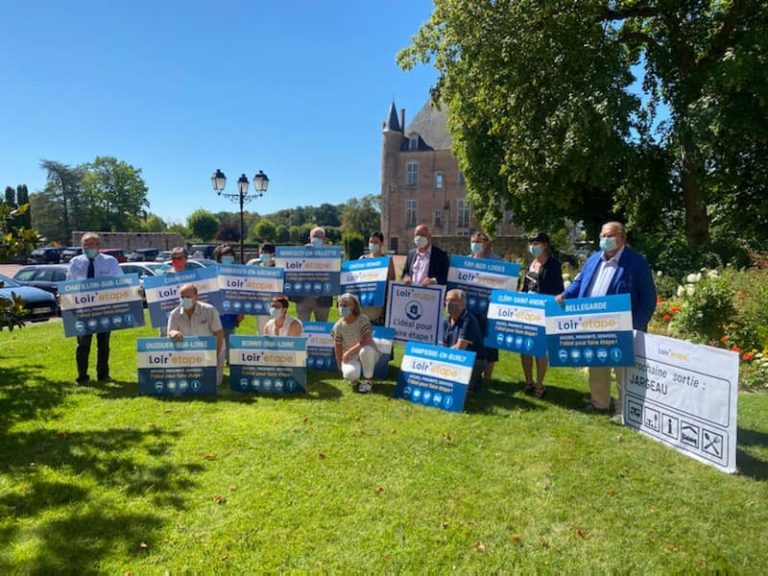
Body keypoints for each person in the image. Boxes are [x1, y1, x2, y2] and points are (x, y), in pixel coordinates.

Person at [556, 221, 656, 423]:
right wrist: (565, 295)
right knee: (598, 365)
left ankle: (623, 410)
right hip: (593, 325)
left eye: (609, 236)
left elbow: (648, 298)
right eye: (602, 236)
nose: (605, 240)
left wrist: (636, 325)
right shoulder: (593, 259)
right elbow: (578, 283)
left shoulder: (636, 262)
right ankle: (599, 403)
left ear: (622, 238)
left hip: (623, 329)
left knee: (623, 371)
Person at [67, 232, 123, 385]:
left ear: (99, 245)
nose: (88, 247)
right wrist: (62, 296)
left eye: (91, 244)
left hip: (105, 309)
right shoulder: (75, 262)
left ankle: (103, 375)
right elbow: (69, 285)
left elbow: (121, 282)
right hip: (83, 310)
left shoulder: (110, 262)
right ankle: (82, 376)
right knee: (82, 345)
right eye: (85, 244)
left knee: (103, 345)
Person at [520, 231, 564, 398]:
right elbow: (525, 288)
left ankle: (539, 383)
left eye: (536, 243)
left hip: (544, 312)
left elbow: (558, 290)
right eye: (531, 243)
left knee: (539, 350)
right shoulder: (530, 264)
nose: (532, 246)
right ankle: (528, 381)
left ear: (545, 244)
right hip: (527, 312)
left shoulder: (553, 265)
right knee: (525, 349)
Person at [167, 283, 225, 386]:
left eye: (188, 297)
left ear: (196, 297)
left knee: (212, 384)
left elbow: (219, 333)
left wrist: (214, 356)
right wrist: (173, 333)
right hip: (187, 354)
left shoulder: (209, 310)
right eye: (182, 297)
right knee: (187, 384)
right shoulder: (174, 314)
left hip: (210, 351)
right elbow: (170, 332)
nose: (184, 300)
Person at [467, 231, 502, 384]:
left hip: (490, 309)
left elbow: (505, 283)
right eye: (474, 241)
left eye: (480, 241)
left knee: (489, 341)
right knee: (471, 339)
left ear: (487, 243)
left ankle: (487, 376)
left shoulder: (497, 261)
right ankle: (471, 373)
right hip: (470, 307)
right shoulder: (466, 261)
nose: (476, 244)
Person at [332, 292, 379, 393]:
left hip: (368, 351)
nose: (341, 308)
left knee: (365, 350)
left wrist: (348, 352)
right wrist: (340, 365)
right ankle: (353, 379)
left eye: (344, 305)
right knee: (349, 374)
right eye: (340, 305)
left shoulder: (363, 319)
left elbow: (367, 339)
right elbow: (338, 346)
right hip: (352, 357)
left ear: (353, 306)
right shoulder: (338, 326)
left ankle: (368, 381)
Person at [441, 288, 485, 391]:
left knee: (459, 390)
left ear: (463, 304)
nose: (448, 303)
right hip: (454, 357)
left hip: (473, 360)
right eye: (447, 300)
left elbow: (460, 348)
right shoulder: (446, 321)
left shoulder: (468, 320)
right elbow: (443, 345)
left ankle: (475, 381)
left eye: (452, 300)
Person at [294, 227, 333, 322]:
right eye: (315, 236)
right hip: (303, 297)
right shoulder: (300, 253)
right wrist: (304, 253)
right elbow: (294, 272)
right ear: (310, 238)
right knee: (302, 327)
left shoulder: (331, 255)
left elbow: (333, 276)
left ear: (324, 239)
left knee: (322, 328)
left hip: (323, 297)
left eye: (320, 237)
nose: (317, 239)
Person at [359, 231, 395, 325]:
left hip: (381, 302)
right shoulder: (362, 259)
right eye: (371, 242)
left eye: (375, 242)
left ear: (381, 244)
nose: (372, 244)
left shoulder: (387, 260)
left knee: (379, 332)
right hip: (365, 301)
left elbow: (391, 280)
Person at [214, 244, 243, 343]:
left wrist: (241, 311)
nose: (227, 259)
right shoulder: (212, 274)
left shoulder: (238, 274)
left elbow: (242, 294)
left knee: (230, 347)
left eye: (230, 256)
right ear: (219, 258)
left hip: (230, 317)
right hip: (214, 316)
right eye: (224, 256)